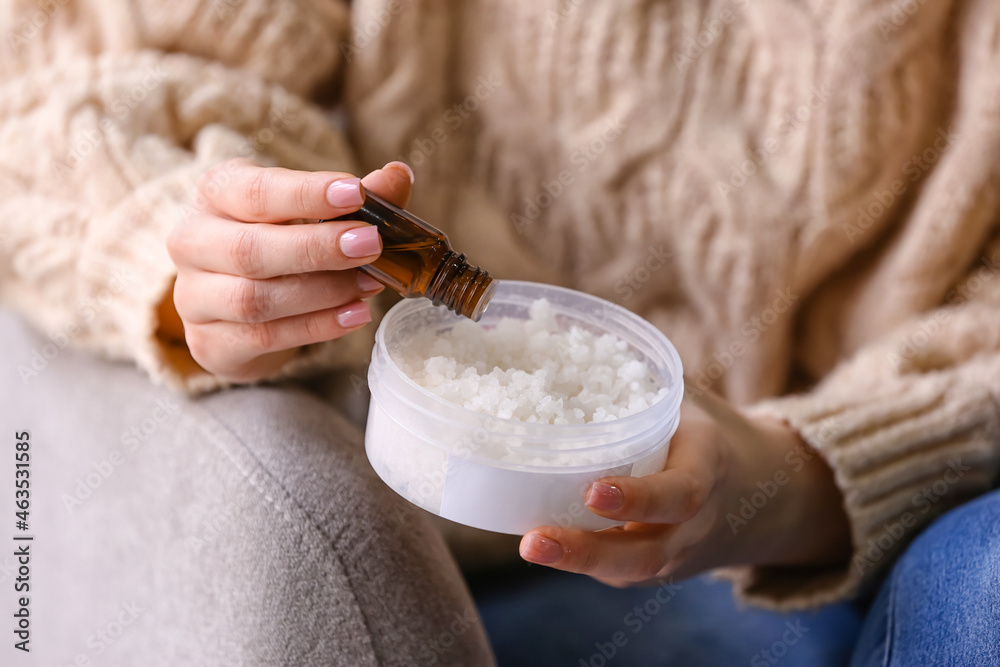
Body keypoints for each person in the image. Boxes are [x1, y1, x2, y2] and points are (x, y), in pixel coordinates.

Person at [2, 0, 999, 664]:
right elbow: (72, 87)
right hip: (442, 547)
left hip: (888, 536)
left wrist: (797, 478)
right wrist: (208, 257)